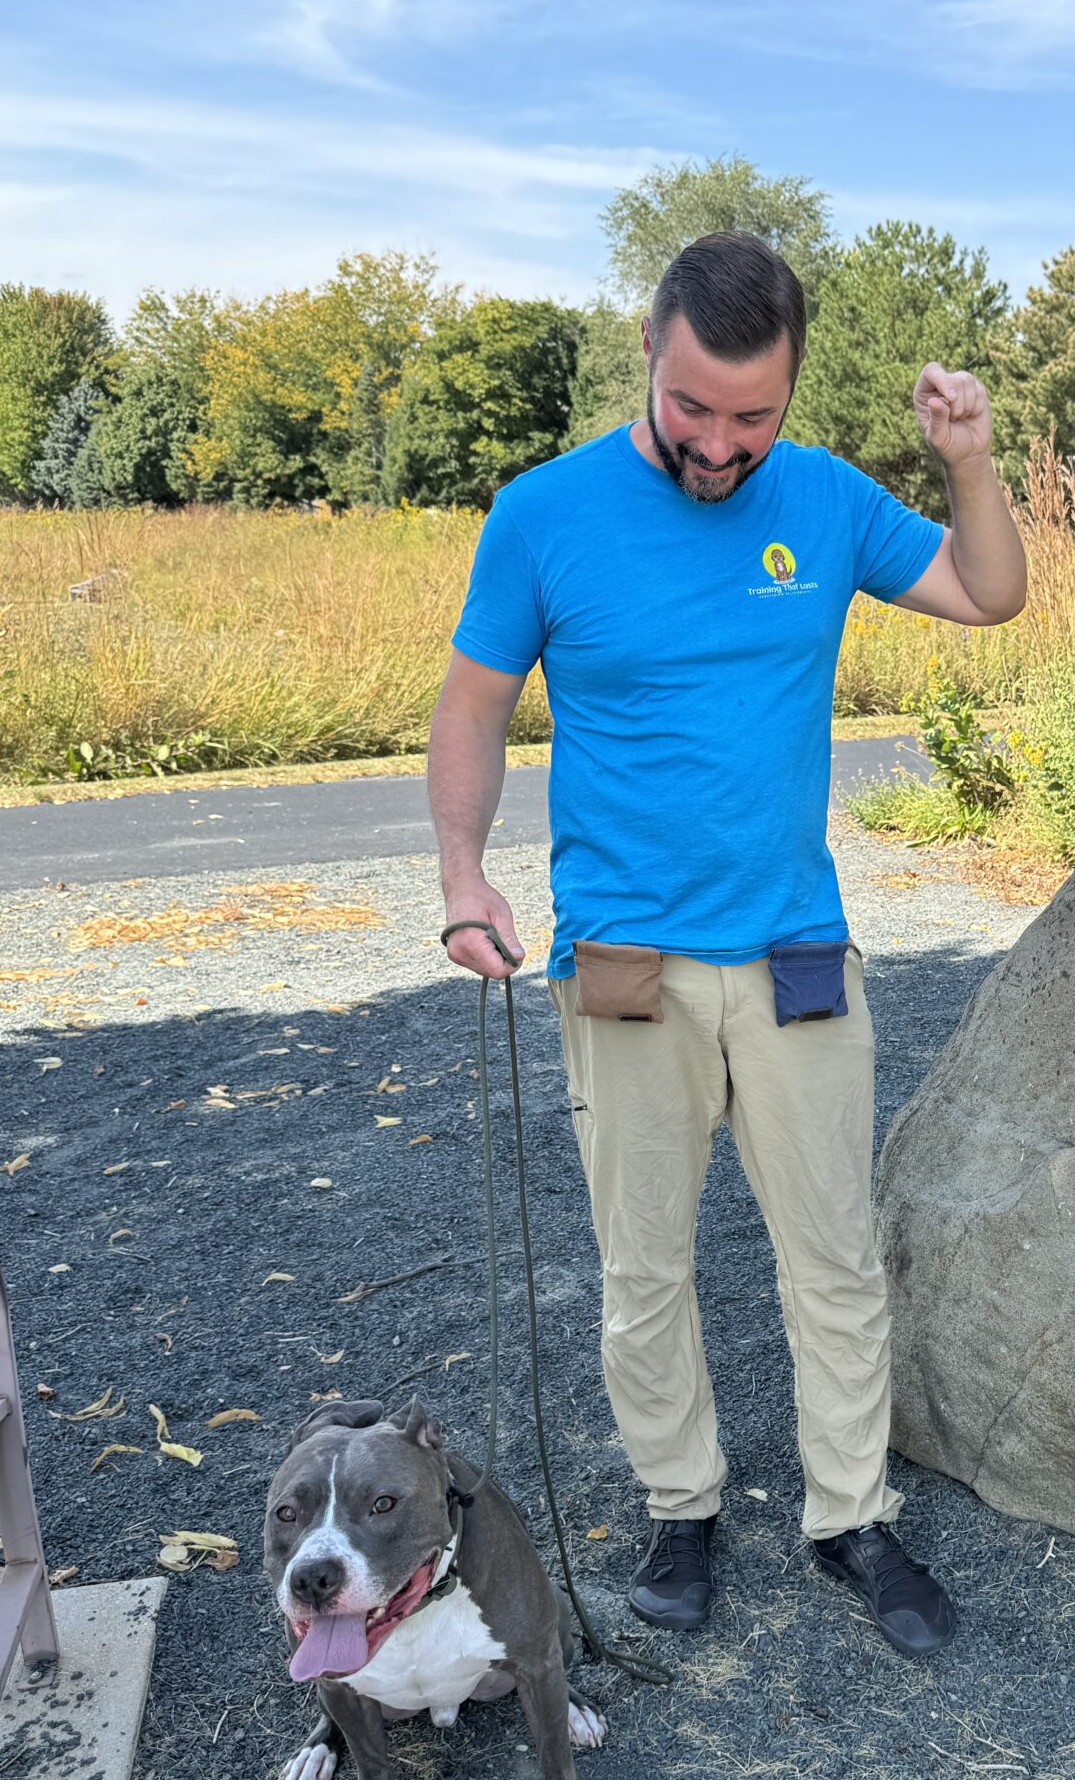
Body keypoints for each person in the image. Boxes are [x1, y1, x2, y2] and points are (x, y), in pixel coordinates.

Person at [427, 231, 1026, 1656]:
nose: (719, 442)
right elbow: (471, 708)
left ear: (792, 390)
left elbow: (990, 594)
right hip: (624, 960)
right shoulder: (544, 512)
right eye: (695, 406)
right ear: (651, 350)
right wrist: (464, 874)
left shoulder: (822, 499)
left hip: (798, 954)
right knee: (644, 1266)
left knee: (834, 1254)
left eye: (752, 415)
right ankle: (680, 1505)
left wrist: (970, 461)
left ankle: (851, 1517)